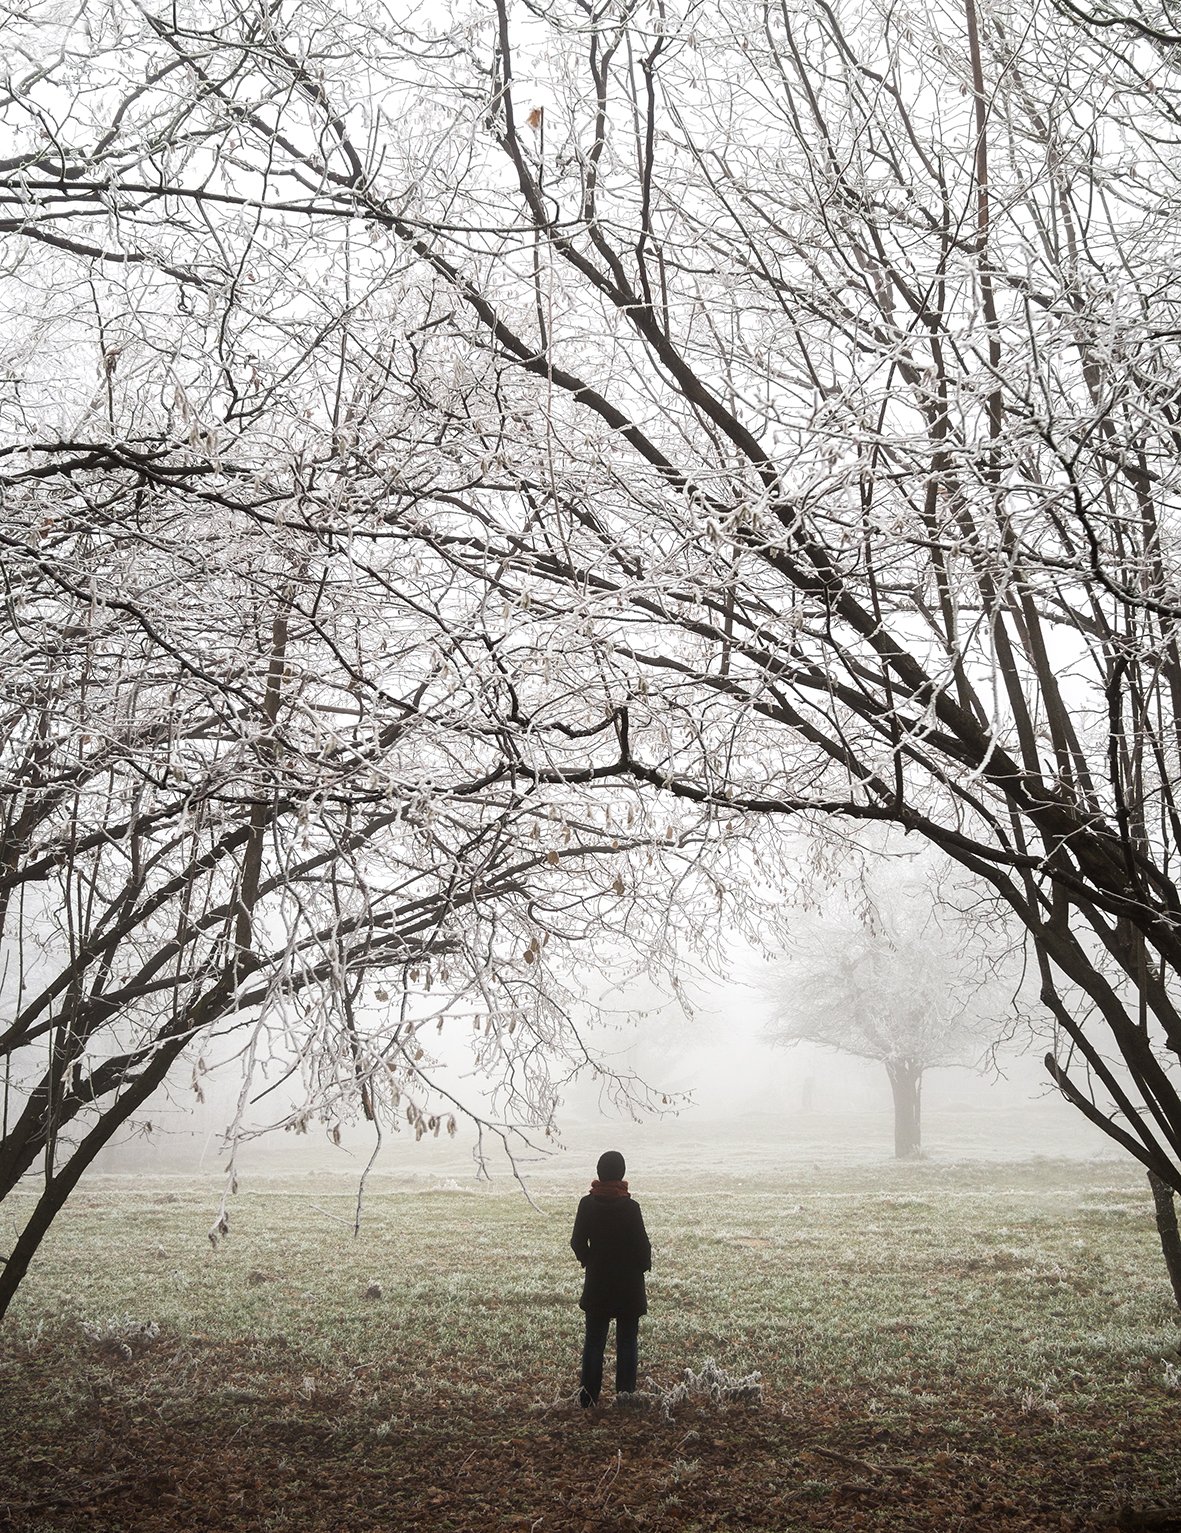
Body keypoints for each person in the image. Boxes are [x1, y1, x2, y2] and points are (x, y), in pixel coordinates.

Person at [570, 1149, 652, 1407]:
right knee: (627, 1340)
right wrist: (641, 1266)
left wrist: (590, 1261)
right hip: (628, 1284)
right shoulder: (631, 1207)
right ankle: (625, 1397)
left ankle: (588, 1398)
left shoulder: (587, 1204)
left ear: (599, 1172)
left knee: (594, 1340)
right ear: (622, 1173)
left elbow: (577, 1242)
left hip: (598, 1282)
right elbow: (643, 1246)